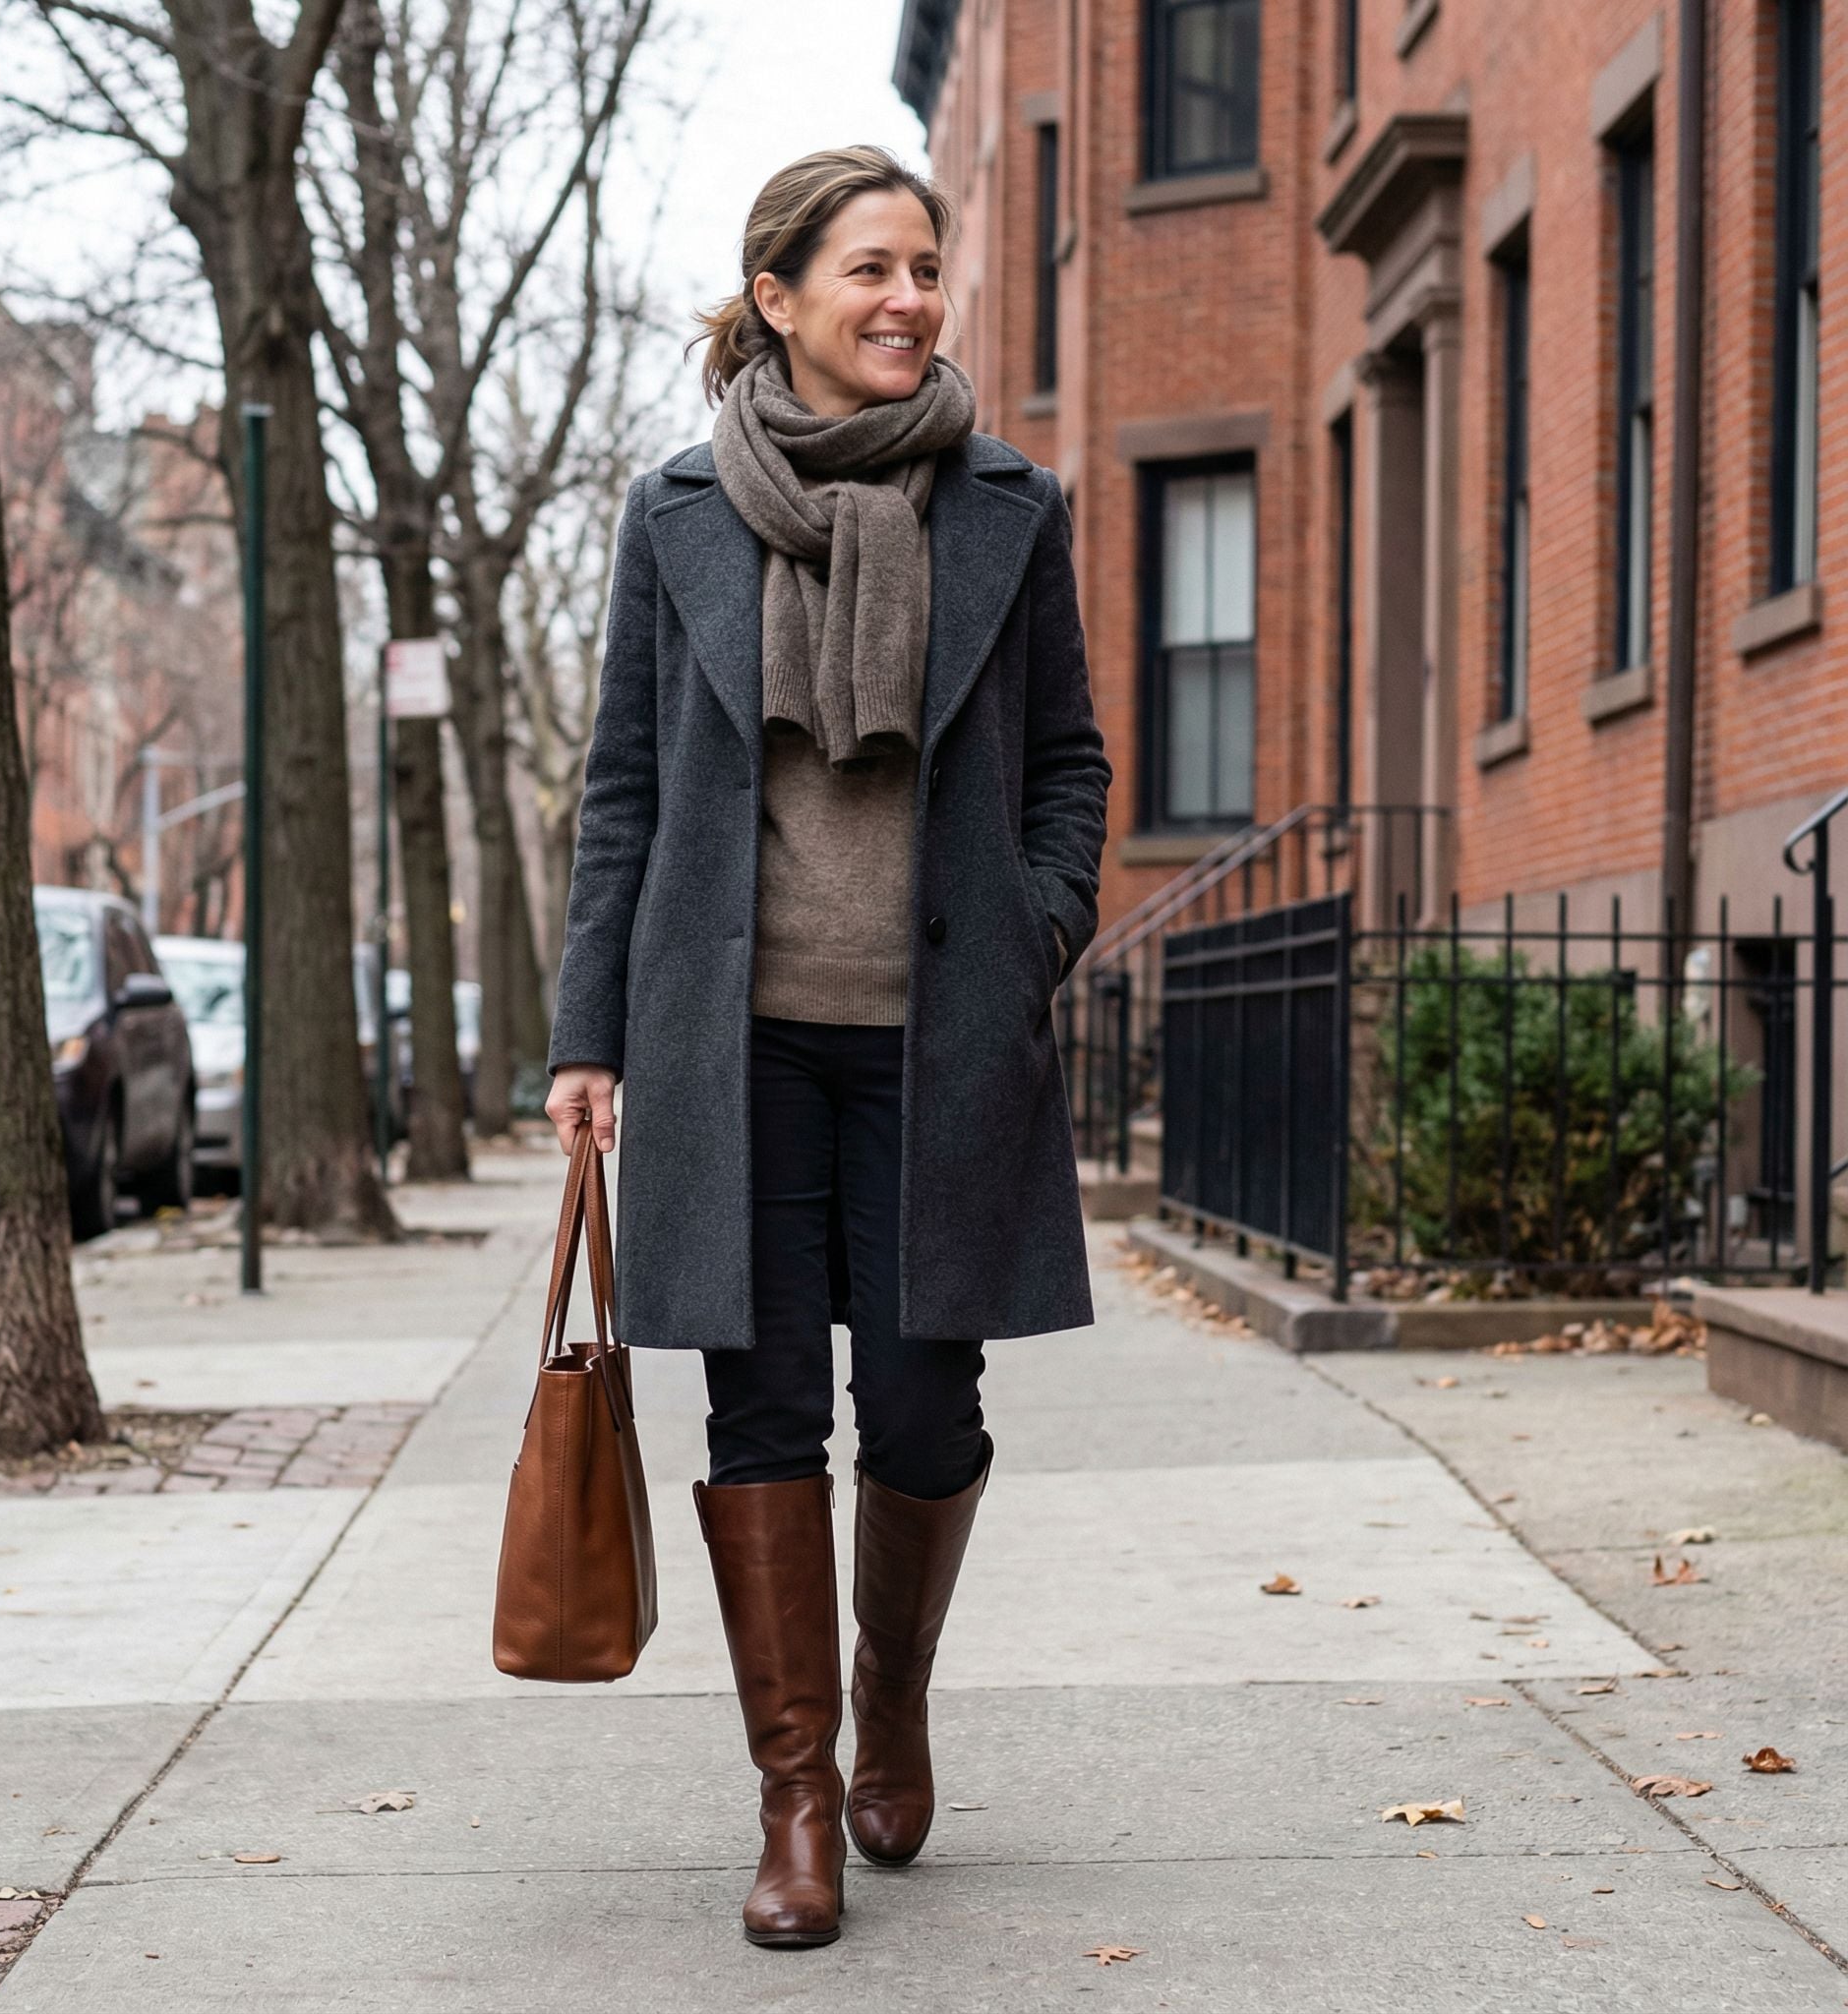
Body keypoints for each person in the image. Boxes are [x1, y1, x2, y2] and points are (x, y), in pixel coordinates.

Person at [545, 144, 1109, 1949]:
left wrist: (1037, 925)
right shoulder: (680, 516)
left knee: (931, 1410)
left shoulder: (1009, 506)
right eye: (870, 268)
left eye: (926, 269)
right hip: (737, 1045)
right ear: (777, 297)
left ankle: (895, 1692)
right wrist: (586, 1033)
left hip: (940, 1033)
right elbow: (623, 790)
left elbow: (1073, 764)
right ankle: (795, 1798)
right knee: (763, 1405)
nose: (908, 300)